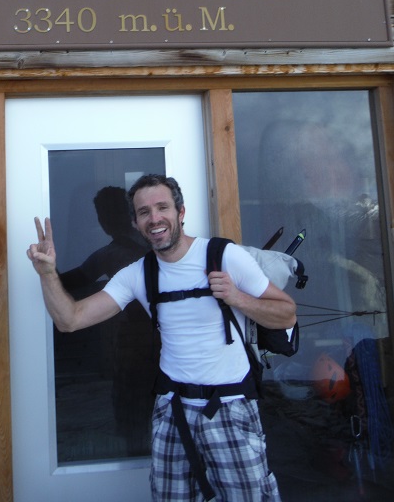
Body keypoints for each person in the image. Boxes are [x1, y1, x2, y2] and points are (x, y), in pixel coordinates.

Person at [27, 174, 297, 501]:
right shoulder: (138, 274)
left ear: (180, 212)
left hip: (231, 408)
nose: (154, 218)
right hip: (173, 413)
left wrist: (239, 298)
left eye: (162, 207)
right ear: (136, 223)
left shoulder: (223, 256)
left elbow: (287, 314)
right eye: (144, 212)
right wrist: (47, 273)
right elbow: (70, 320)